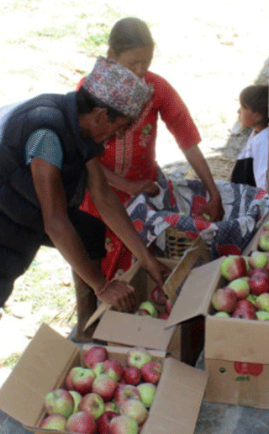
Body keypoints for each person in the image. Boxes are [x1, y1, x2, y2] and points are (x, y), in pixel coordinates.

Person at [0, 58, 168, 434]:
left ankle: (88, 323)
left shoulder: (81, 125)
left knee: (89, 231)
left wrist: (147, 260)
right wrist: (102, 284)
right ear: (102, 114)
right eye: (120, 128)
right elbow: (55, 221)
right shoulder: (48, 134)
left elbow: (103, 197)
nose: (118, 137)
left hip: (16, 206)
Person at [79, 17, 224, 280]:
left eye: (146, 62)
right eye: (133, 63)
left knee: (146, 267)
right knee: (99, 269)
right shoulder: (90, 91)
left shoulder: (157, 88)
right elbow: (82, 153)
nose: (140, 70)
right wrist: (124, 184)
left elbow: (187, 140)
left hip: (144, 190)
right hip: (99, 194)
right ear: (111, 56)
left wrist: (213, 192)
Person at [230, 84, 269, 190]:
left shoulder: (264, 141)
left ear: (258, 116)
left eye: (243, 107)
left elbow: (262, 182)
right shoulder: (257, 133)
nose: (238, 111)